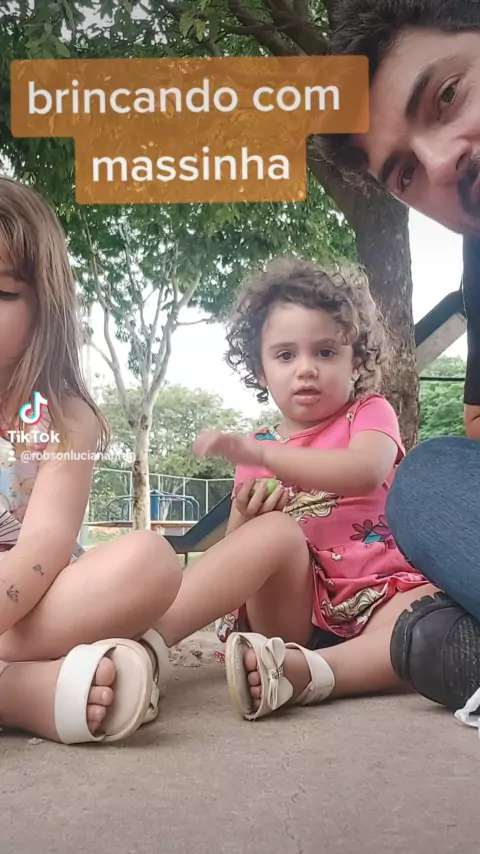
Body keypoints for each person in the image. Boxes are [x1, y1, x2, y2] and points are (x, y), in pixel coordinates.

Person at [153, 256, 438, 721]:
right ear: (261, 371)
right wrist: (248, 513)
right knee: (274, 533)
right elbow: (238, 555)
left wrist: (266, 457)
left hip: (383, 591)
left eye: (325, 352)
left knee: (427, 621)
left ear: (356, 361)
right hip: (294, 610)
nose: (306, 369)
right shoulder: (259, 446)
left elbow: (366, 470)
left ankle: (308, 673)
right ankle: (146, 638)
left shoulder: (369, 412)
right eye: (286, 355)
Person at [318, 0, 480, 713]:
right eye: (405, 173)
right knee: (429, 485)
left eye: (448, 94)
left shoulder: (372, 418)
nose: (441, 162)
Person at [0, 175, 182, 744]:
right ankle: (20, 692)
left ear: (43, 305)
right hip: (23, 638)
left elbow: (43, 548)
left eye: (1, 294)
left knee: (151, 561)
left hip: (38, 595)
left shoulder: (62, 415)